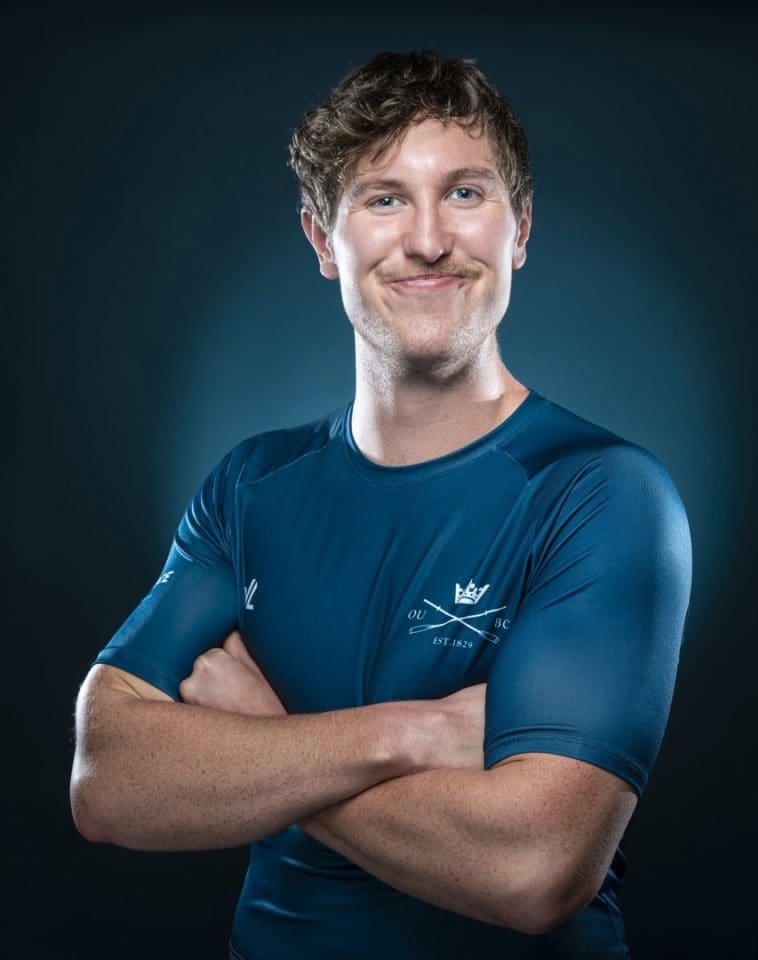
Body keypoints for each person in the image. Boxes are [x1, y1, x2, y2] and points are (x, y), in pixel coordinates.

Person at [70, 50, 692, 959]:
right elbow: (108, 779)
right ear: (324, 241)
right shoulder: (251, 487)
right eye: (385, 199)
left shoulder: (602, 492)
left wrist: (266, 736)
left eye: (466, 193)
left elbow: (536, 870)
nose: (429, 239)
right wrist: (418, 732)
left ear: (520, 228)